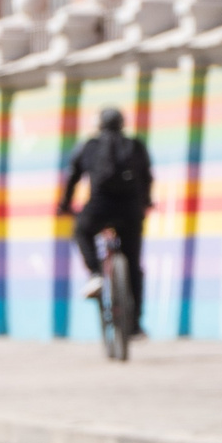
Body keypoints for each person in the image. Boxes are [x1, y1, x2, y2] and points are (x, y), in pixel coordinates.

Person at [59, 107, 153, 309]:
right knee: (133, 265)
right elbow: (147, 177)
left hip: (98, 208)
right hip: (130, 210)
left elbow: (73, 176)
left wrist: (65, 204)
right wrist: (146, 203)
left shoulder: (90, 145)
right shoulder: (135, 146)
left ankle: (95, 273)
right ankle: (135, 324)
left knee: (81, 231)